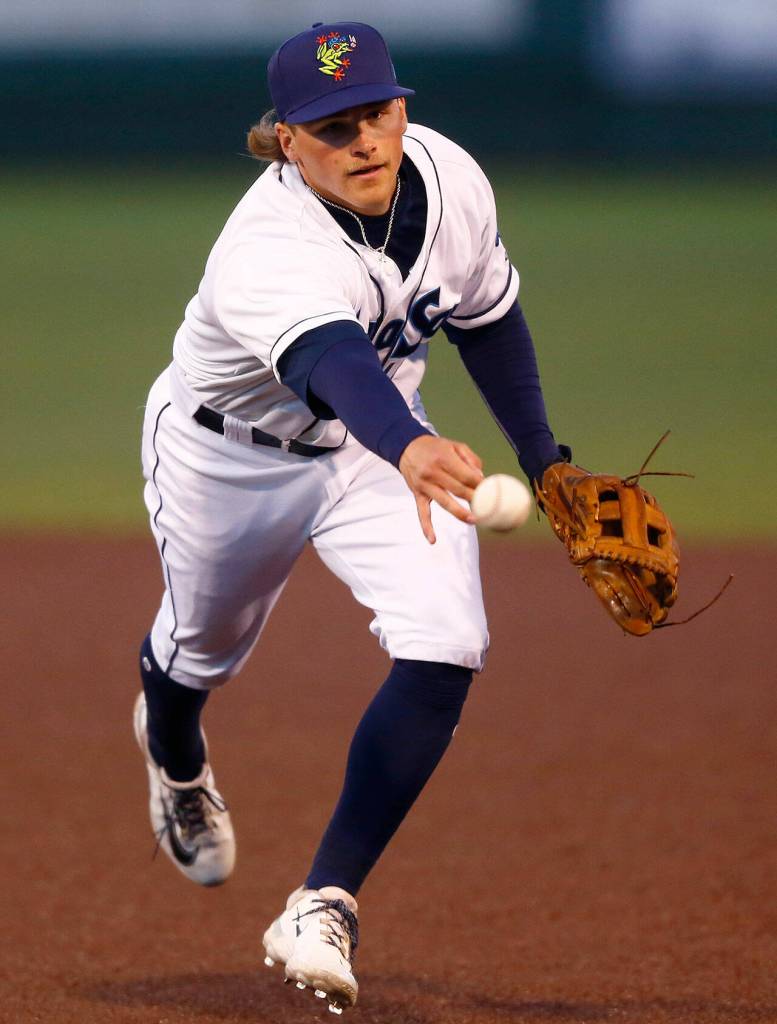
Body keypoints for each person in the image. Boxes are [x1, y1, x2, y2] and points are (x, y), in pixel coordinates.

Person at [134, 21, 569, 1014]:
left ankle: (321, 900)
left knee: (448, 640)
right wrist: (410, 445)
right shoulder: (264, 248)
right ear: (288, 140)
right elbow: (333, 361)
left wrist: (546, 461)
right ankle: (176, 755)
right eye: (333, 126)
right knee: (199, 655)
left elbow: (489, 314)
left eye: (376, 112)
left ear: (402, 106)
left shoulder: (451, 178)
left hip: (377, 455)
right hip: (228, 457)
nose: (365, 140)